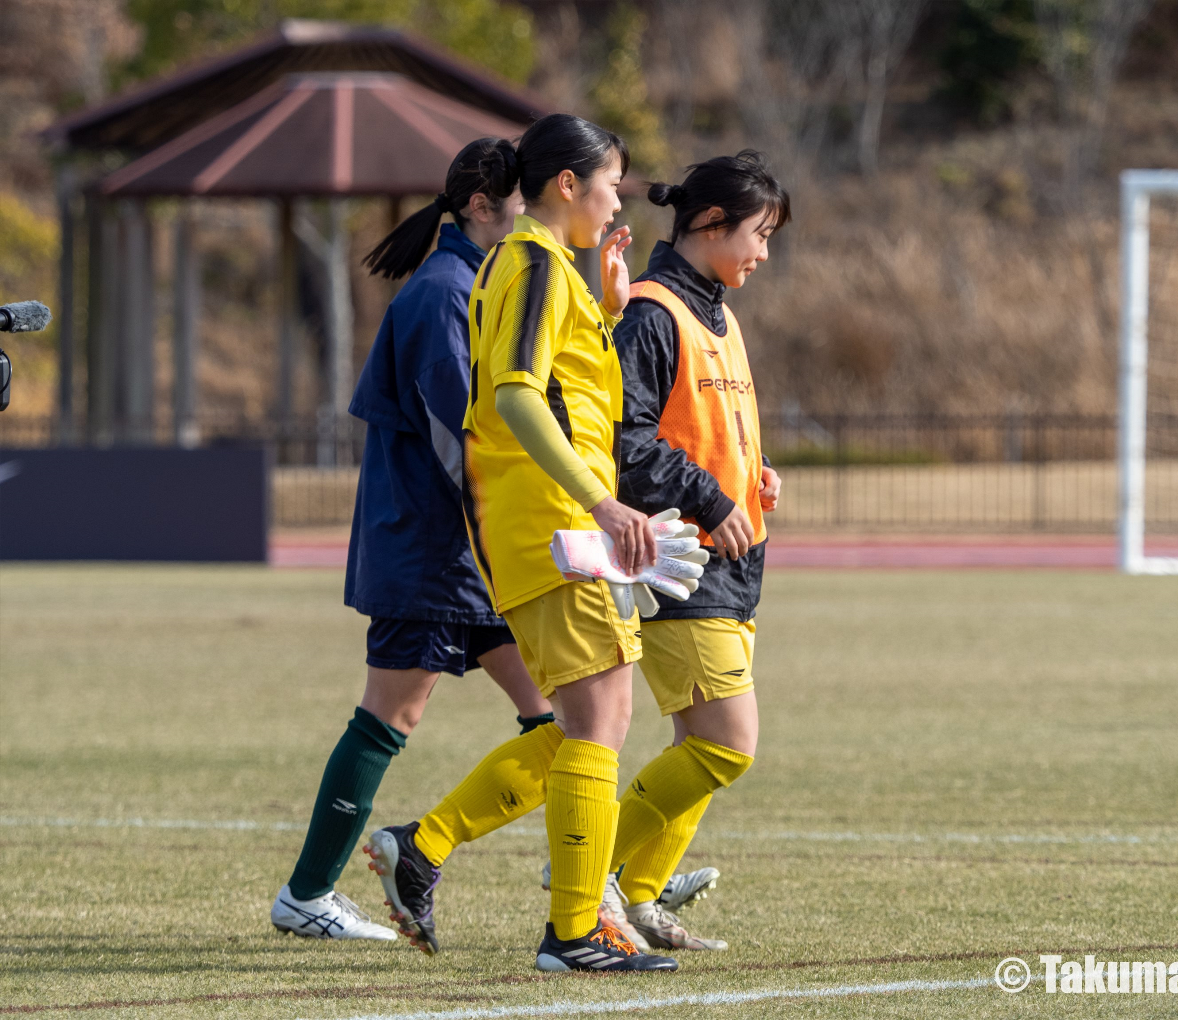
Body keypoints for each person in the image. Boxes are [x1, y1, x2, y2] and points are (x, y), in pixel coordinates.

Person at [373, 113, 678, 973]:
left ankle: (425, 848)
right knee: (598, 718)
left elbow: (563, 390)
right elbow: (513, 397)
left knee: (589, 720)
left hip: (545, 522)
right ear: (569, 184)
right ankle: (575, 932)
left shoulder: (547, 271)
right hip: (553, 521)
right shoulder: (535, 263)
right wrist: (600, 503)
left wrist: (611, 314)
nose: (619, 196)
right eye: (612, 180)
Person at [269, 139, 557, 942]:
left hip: (478, 554)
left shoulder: (482, 283)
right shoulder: (442, 292)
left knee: (569, 722)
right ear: (480, 206)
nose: (532, 214)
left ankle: (582, 876)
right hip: (437, 553)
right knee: (389, 718)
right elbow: (458, 439)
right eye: (522, 202)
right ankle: (307, 897)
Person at [601, 150, 790, 951]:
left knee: (697, 747)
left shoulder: (718, 310)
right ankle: (591, 874)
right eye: (759, 233)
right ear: (710, 225)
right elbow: (626, 442)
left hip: (738, 561)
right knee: (725, 745)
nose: (764, 252)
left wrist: (753, 477)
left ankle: (637, 897)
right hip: (684, 560)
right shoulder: (651, 313)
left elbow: (704, 431)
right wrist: (713, 497)